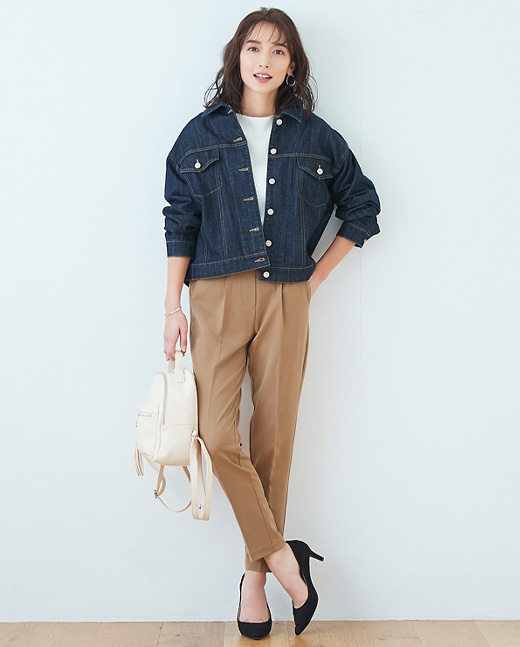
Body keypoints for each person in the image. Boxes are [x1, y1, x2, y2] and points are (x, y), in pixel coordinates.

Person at [161, 7, 381, 638]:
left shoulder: (316, 138)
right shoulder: (200, 135)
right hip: (215, 294)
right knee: (214, 432)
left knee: (274, 441)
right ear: (237, 56)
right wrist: (172, 306)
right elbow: (179, 221)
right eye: (254, 47)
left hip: (287, 295)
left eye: (279, 51)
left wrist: (312, 280)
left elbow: (363, 208)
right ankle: (285, 558)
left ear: (292, 65)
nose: (264, 60)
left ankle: (254, 581)